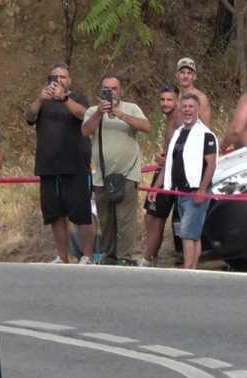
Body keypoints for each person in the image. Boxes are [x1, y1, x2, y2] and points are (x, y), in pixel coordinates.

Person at [25, 62, 94, 264]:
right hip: (48, 166)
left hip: (76, 165)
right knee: (55, 215)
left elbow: (85, 115)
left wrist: (64, 98)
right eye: (55, 77)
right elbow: (29, 116)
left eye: (63, 77)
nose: (58, 80)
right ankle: (63, 257)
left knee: (82, 215)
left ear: (69, 80)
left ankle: (88, 256)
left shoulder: (77, 97)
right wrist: (40, 99)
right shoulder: (43, 101)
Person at [81, 74, 150, 264]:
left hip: (127, 172)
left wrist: (120, 114)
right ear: (100, 91)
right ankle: (109, 256)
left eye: (114, 89)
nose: (111, 92)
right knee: (106, 220)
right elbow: (85, 131)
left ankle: (124, 257)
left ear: (121, 90)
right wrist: (99, 113)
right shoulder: (92, 111)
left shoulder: (131, 108)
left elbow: (146, 126)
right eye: (106, 89)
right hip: (102, 175)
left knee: (125, 220)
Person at [163, 93, 218, 270]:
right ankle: (192, 269)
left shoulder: (206, 135)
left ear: (198, 109)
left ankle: (187, 270)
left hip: (197, 192)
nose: (187, 110)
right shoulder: (179, 133)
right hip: (180, 192)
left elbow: (211, 164)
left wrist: (202, 189)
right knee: (193, 234)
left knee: (187, 233)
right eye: (184, 106)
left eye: (191, 107)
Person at [139, 85, 181, 266]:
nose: (165, 103)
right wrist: (162, 155)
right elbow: (172, 149)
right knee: (150, 216)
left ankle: (147, 259)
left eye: (169, 100)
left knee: (156, 218)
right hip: (164, 170)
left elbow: (180, 152)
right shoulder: (170, 118)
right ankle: (152, 256)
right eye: (162, 100)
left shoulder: (179, 119)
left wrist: (157, 185)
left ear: (177, 100)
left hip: (171, 175)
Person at [175, 57, 212, 124]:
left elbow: (206, 126)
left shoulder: (201, 98)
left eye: (189, 73)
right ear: (177, 75)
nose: (185, 76)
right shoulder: (175, 97)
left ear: (194, 76)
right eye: (182, 72)